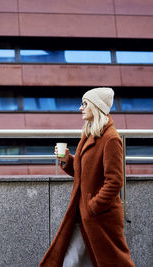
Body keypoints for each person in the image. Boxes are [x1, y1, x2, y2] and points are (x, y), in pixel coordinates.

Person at [40, 87, 135, 267]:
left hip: (100, 217)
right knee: (76, 262)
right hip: (83, 213)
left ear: (96, 106)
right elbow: (84, 172)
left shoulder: (111, 139)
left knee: (110, 262)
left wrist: (93, 206)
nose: (80, 108)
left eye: (85, 104)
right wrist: (67, 160)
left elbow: (115, 182)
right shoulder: (90, 133)